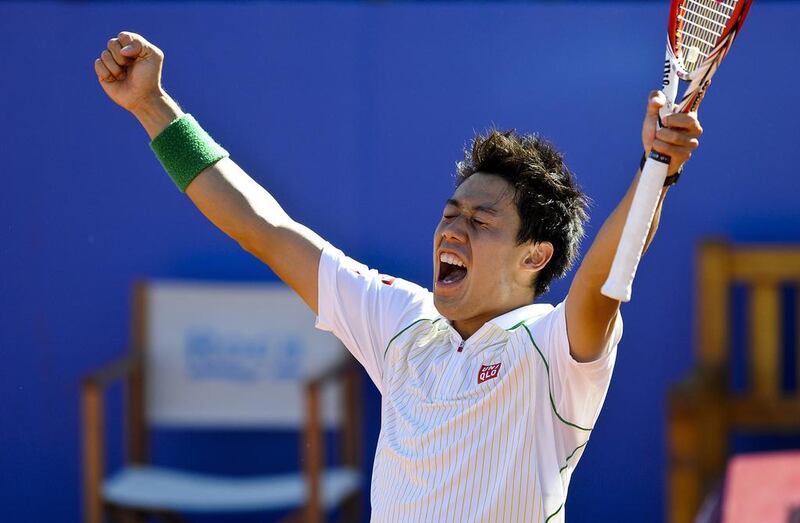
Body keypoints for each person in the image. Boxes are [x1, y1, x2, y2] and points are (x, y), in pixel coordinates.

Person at [94, 31, 702, 522]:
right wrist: (152, 106)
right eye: (449, 214)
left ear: (534, 257)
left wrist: (656, 171)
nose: (452, 231)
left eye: (481, 220)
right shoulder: (403, 324)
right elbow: (266, 230)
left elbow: (602, 283)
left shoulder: (553, 351)